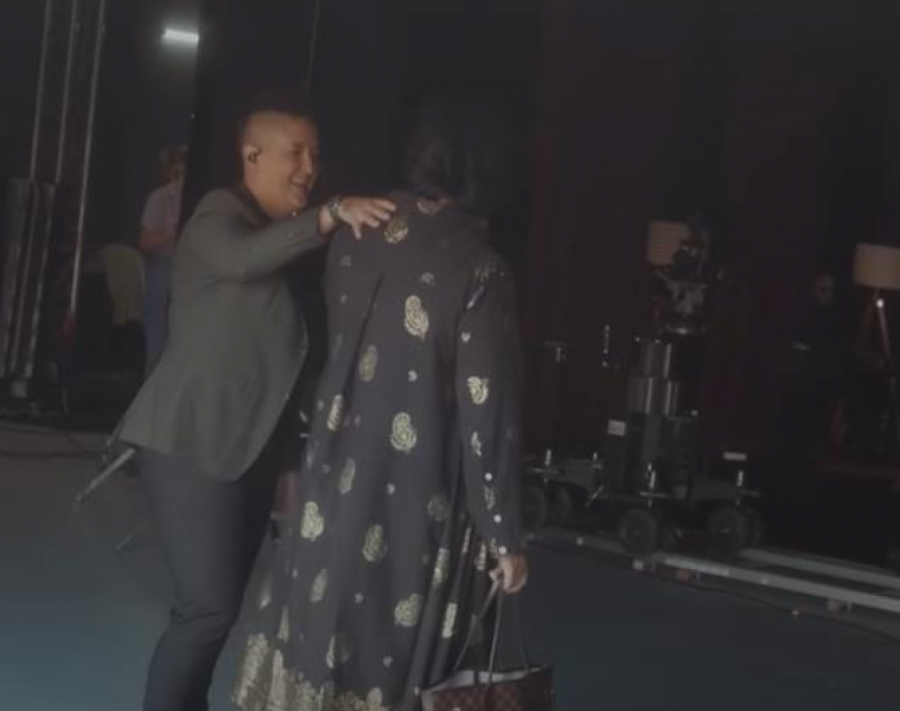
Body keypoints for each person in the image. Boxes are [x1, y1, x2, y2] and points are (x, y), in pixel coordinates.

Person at [233, 97, 528, 711]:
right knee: (392, 658)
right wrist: (504, 534)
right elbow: (485, 414)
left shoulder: (355, 232)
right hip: (416, 501)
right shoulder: (480, 269)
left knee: (320, 626)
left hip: (331, 476)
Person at [116, 93, 396, 711]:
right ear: (252, 155)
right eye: (295, 153)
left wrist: (289, 463)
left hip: (252, 453)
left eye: (315, 155)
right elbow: (245, 261)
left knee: (213, 613)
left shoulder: (289, 247)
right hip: (191, 443)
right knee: (206, 611)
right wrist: (330, 214)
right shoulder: (218, 215)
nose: (309, 167)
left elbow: (290, 364)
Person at [138, 145, 187, 376]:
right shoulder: (159, 198)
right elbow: (145, 242)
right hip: (165, 263)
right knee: (157, 328)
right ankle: (153, 376)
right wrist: (172, 232)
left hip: (194, 267)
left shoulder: (206, 198)